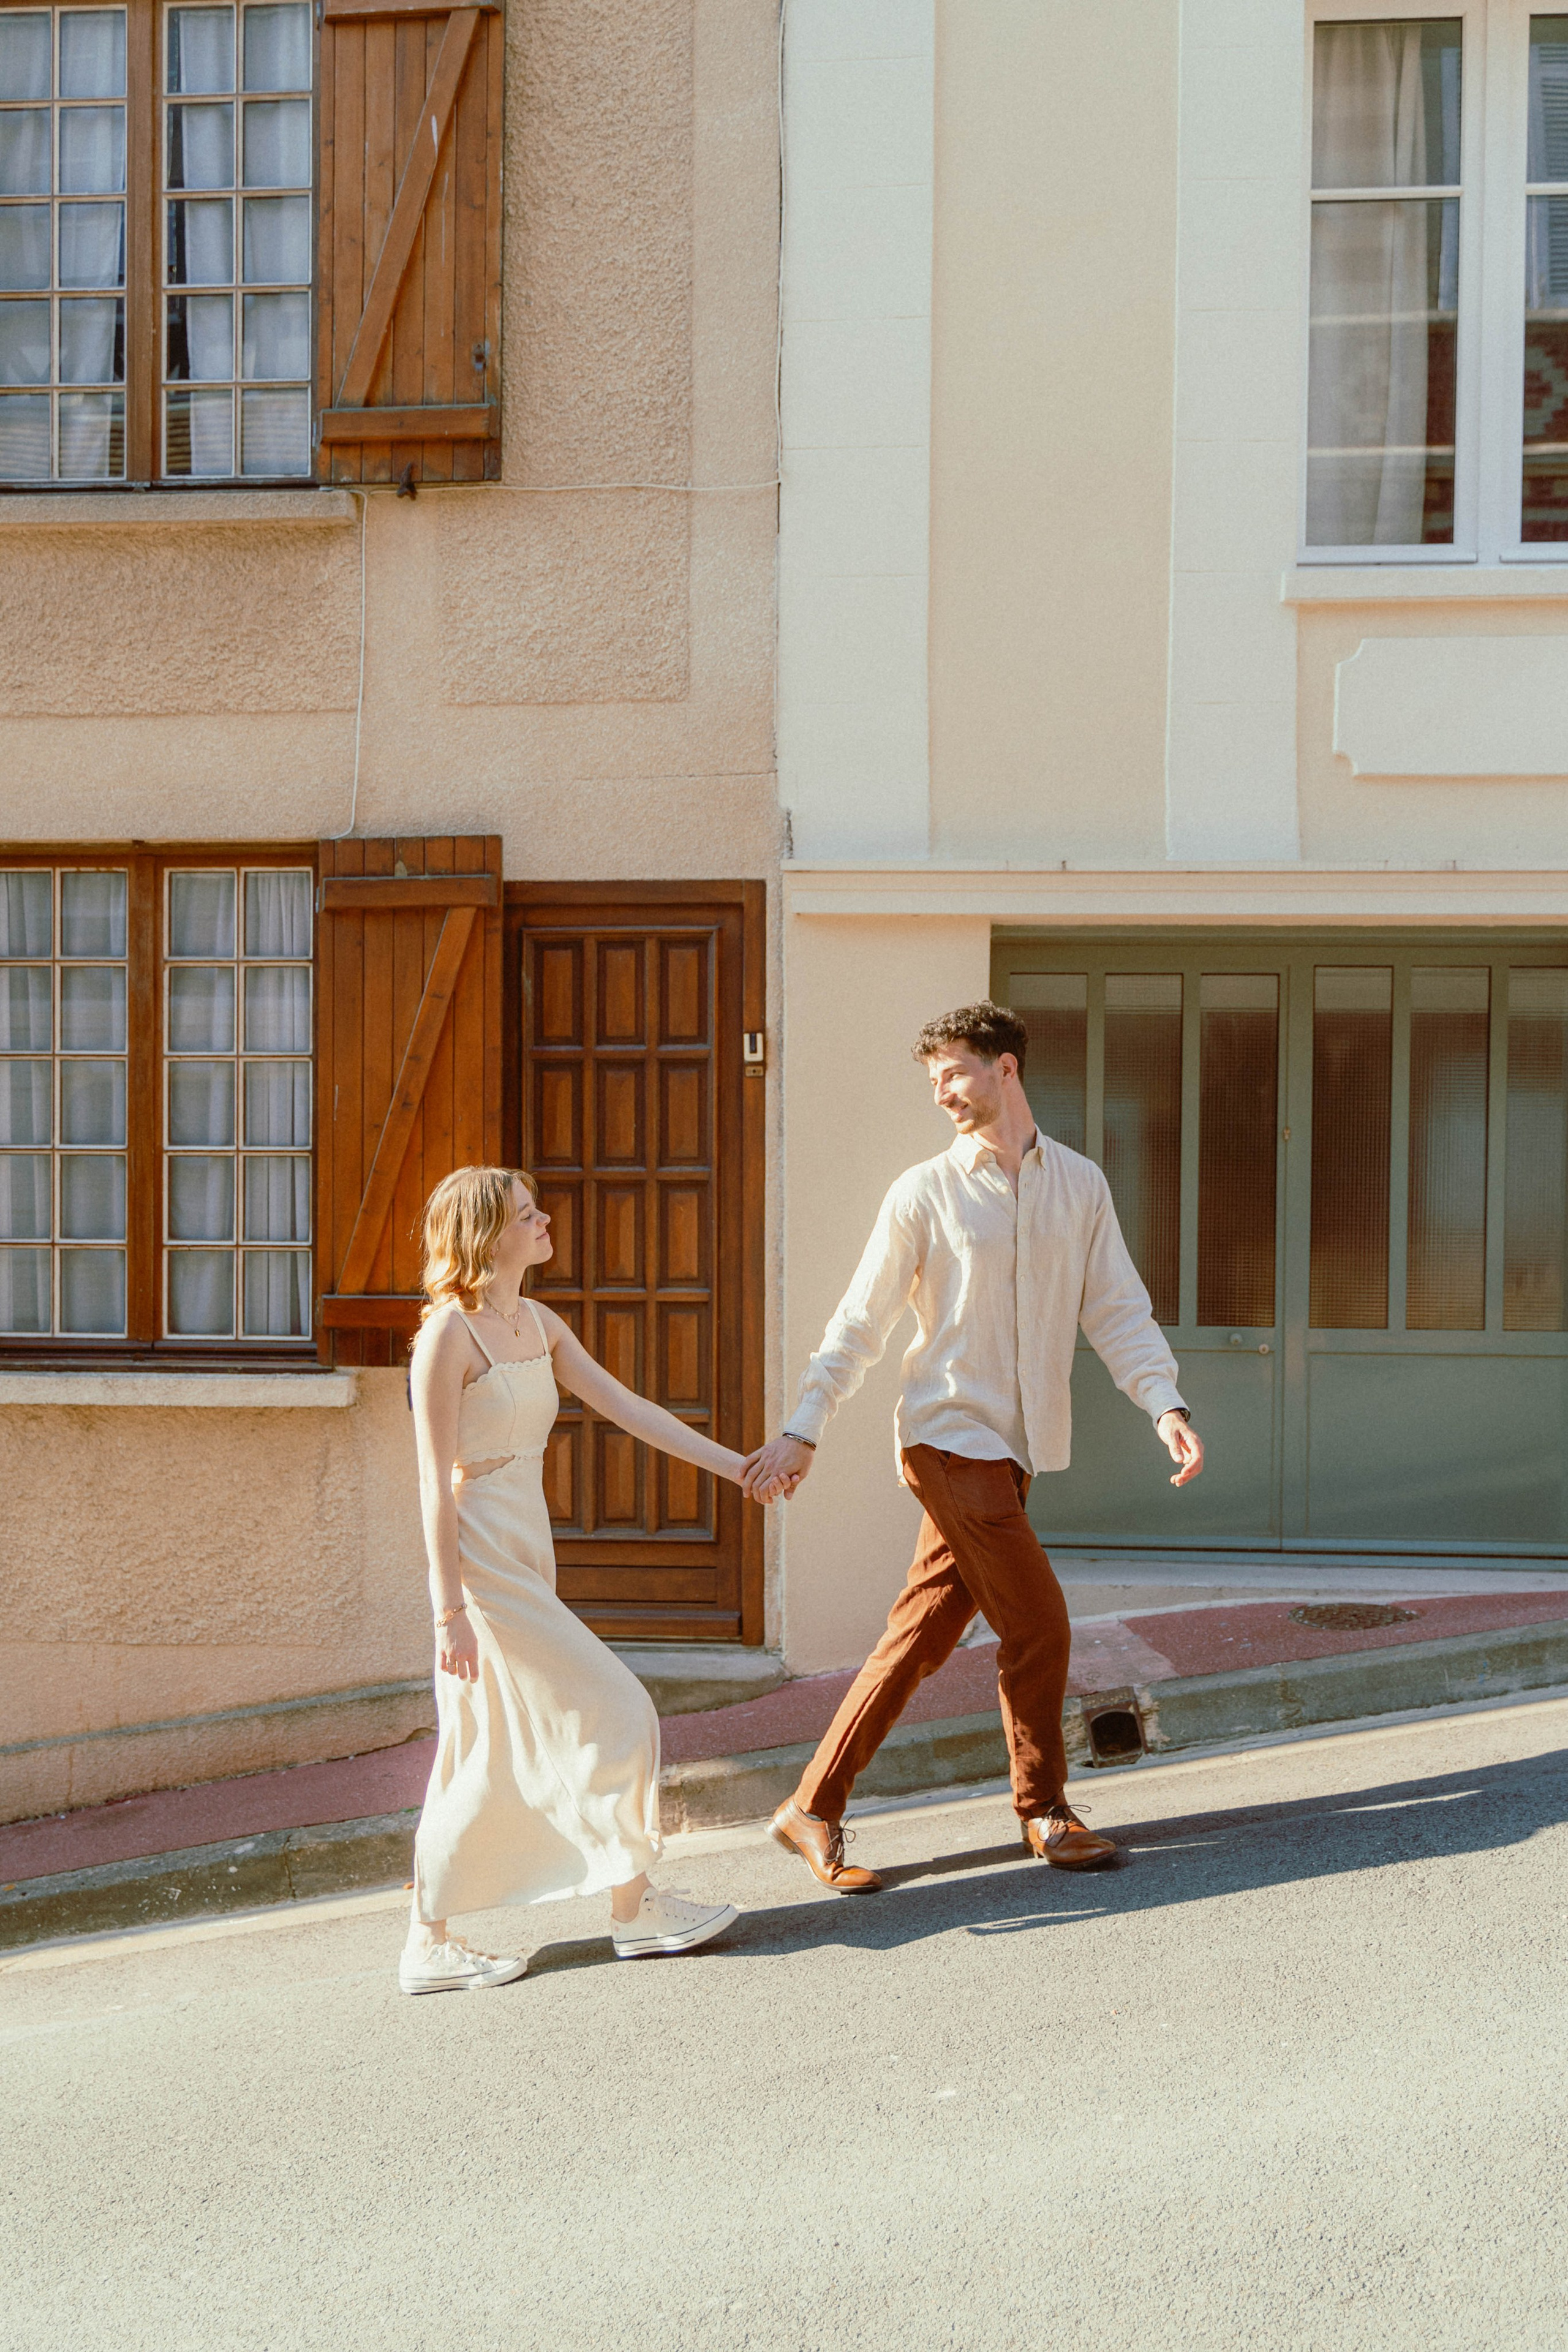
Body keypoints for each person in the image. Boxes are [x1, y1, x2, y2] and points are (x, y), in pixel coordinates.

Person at [742, 1001, 1205, 1891]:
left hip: (1015, 1451)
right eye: (933, 1079)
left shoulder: (1079, 1185)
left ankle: (811, 1808)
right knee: (1038, 1622)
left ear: (1006, 1068)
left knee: (917, 1638)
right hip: (948, 1439)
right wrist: (805, 1428)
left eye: (954, 1071)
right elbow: (860, 1322)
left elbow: (1117, 1309)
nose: (942, 1092)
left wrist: (1165, 1405)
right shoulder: (924, 1192)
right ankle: (1044, 1809)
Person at [399, 1164, 754, 1994]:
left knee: (483, 1746)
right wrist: (449, 1610)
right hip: (483, 1560)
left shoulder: (538, 1322)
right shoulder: (448, 1337)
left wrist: (739, 1470)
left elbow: (633, 1411)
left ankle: (429, 1941)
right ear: (487, 1235)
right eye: (527, 1214)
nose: (545, 1221)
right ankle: (633, 1906)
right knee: (617, 1707)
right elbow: (432, 1484)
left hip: (526, 1542)